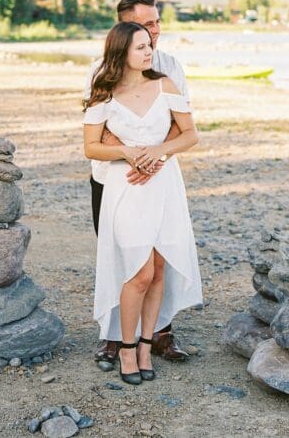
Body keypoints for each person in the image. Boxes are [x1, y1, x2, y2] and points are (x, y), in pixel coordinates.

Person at [82, 21, 202, 384]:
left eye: (149, 45)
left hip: (165, 183)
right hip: (127, 187)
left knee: (160, 270)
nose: (149, 51)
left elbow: (190, 134)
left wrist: (156, 153)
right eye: (140, 47)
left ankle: (148, 345)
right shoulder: (104, 92)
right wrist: (127, 153)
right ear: (121, 52)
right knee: (139, 272)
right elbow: (91, 147)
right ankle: (126, 347)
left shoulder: (165, 84)